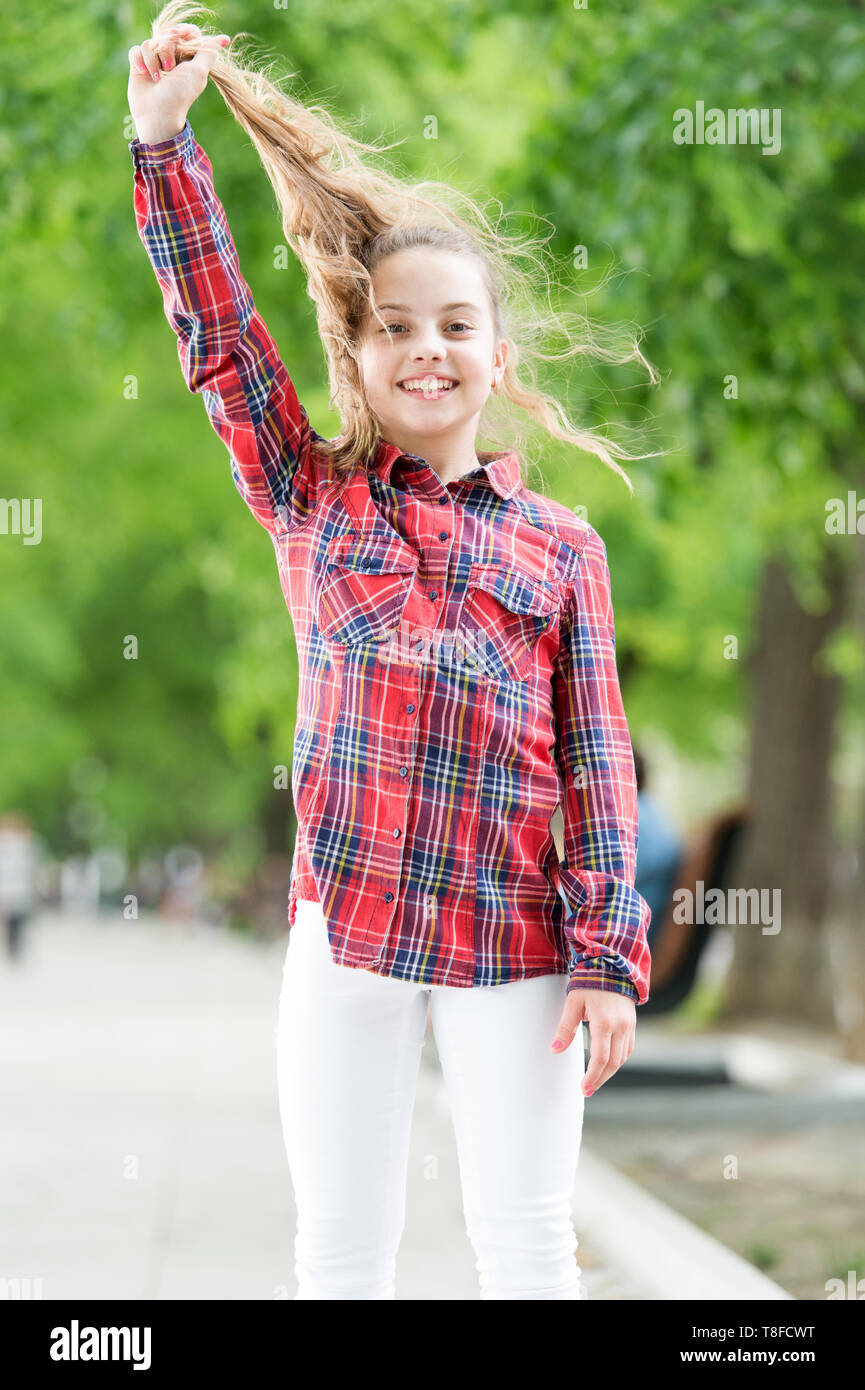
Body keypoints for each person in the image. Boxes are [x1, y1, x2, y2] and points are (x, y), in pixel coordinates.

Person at [126, 6, 656, 1301]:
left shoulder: (559, 549)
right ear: (356, 359)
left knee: (525, 1243)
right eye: (396, 327)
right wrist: (161, 143)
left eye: (455, 324)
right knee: (342, 1255)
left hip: (517, 945)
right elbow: (216, 338)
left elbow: (599, 768)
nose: (427, 346)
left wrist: (607, 960)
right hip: (346, 934)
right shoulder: (310, 498)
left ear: (496, 353)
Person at [633, 748, 684, 953]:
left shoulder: (634, 819)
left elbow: (600, 888)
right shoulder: (652, 811)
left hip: (634, 940)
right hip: (647, 931)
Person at [0, 812, 40, 960]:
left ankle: (16, 949)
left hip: (20, 891)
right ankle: (12, 950)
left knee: (18, 921)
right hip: (7, 891)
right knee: (9, 922)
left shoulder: (26, 847)